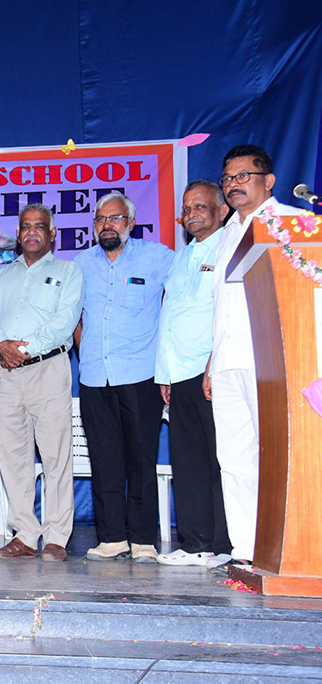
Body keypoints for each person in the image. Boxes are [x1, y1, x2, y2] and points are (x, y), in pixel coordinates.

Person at [207, 145, 299, 571]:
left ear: (269, 181)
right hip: (228, 360)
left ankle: (284, 546)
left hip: (271, 360)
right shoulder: (227, 232)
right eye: (228, 179)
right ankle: (246, 547)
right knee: (234, 457)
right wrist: (212, 362)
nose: (233, 185)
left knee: (276, 454)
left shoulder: (290, 224)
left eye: (243, 176)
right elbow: (222, 305)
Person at [74, 191, 174, 563]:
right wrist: (86, 349)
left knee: (141, 459)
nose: (107, 225)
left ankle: (143, 540)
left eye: (115, 218)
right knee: (104, 461)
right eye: (100, 219)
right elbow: (73, 317)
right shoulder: (81, 263)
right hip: (94, 376)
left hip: (141, 375)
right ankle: (112, 538)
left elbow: (183, 301)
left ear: (130, 223)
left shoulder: (157, 257)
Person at [0, 204, 82, 562]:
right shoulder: (1, 275)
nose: (32, 232)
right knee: (13, 456)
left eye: (40, 226)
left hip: (48, 369)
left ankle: (56, 536)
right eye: (26, 226)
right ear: (18, 234)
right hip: (7, 373)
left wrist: (22, 350)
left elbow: (64, 321)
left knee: (55, 456)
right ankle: (24, 534)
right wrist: (1, 345)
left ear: (52, 233)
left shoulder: (69, 271)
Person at [154, 181, 233, 568]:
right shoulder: (181, 257)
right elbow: (171, 315)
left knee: (221, 460)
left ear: (222, 210)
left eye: (201, 206)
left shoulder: (230, 248)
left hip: (211, 371)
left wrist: (213, 365)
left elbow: (230, 314)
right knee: (188, 462)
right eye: (187, 209)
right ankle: (195, 542)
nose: (192, 214)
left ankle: (226, 545)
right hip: (179, 374)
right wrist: (165, 374)